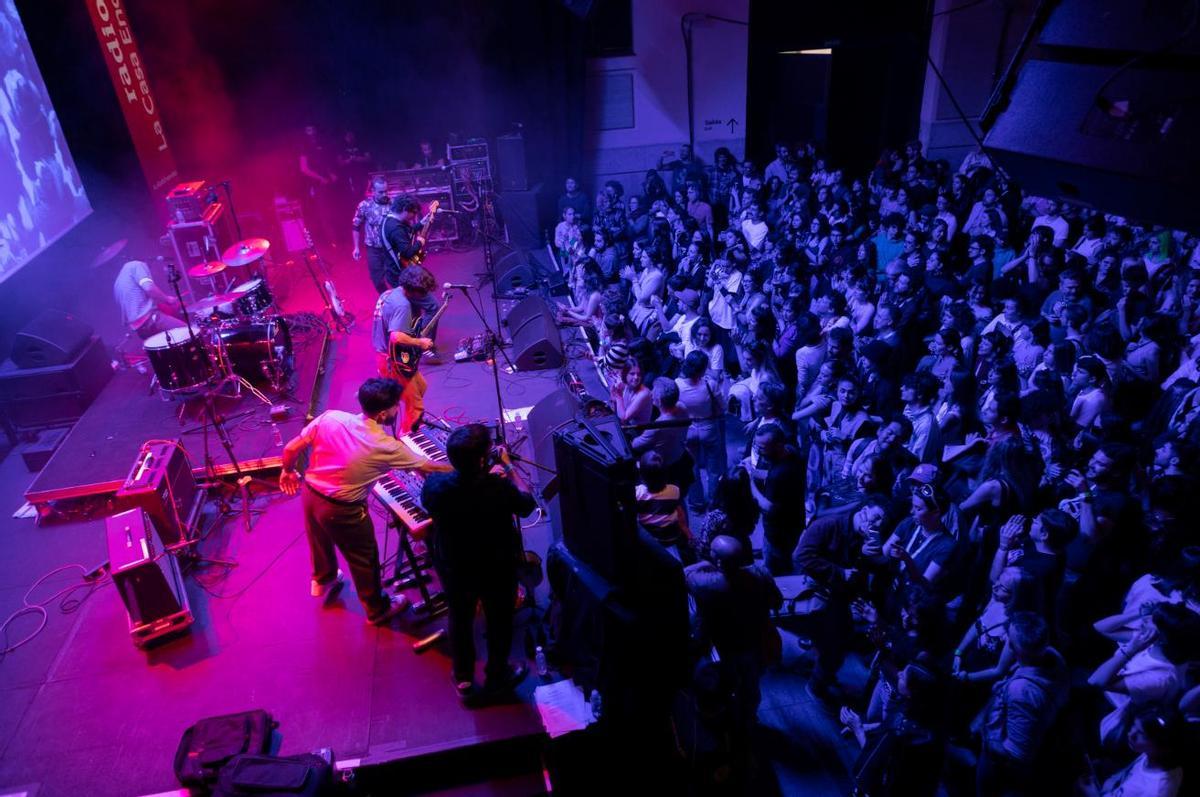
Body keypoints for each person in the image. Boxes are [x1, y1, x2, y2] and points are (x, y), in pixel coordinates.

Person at [278, 378, 450, 625]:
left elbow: (291, 448)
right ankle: (377, 609)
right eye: (395, 407)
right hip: (342, 510)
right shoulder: (384, 445)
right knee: (364, 558)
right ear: (383, 414)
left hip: (311, 494)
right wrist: (464, 464)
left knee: (319, 540)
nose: (396, 410)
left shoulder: (331, 417)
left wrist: (287, 471)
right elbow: (428, 466)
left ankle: (323, 579)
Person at [421, 424, 537, 698]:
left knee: (460, 617)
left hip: (455, 565)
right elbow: (527, 504)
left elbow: (436, 500)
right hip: (495, 566)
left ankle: (463, 678)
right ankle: (497, 675)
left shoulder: (435, 486)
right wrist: (507, 468)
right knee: (499, 621)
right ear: (484, 459)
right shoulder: (497, 488)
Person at [977, 612, 1069, 796]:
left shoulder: (1022, 692)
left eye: (1008, 637)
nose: (1004, 638)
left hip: (1001, 765)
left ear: (1014, 648)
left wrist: (990, 740)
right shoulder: (1051, 655)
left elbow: (1017, 753)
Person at [372, 265, 438, 433]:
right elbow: (396, 337)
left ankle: (409, 420)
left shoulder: (389, 294)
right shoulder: (403, 306)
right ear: (414, 291)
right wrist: (420, 342)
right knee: (416, 407)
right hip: (392, 361)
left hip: (385, 355)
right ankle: (407, 438)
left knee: (421, 386)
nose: (424, 296)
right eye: (423, 292)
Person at [742, 423, 806, 575]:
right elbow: (771, 476)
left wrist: (749, 480)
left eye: (762, 447)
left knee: (775, 567)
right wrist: (752, 471)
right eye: (756, 446)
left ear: (778, 445)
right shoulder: (790, 452)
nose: (758, 451)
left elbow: (767, 506)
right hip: (795, 520)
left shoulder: (780, 474)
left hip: (780, 531)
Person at [113, 259, 184, 338]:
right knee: (186, 332)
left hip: (139, 329)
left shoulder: (118, 282)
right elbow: (149, 288)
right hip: (150, 320)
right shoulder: (137, 265)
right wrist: (167, 299)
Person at [351, 176, 393, 293]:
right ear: (373, 191)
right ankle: (385, 301)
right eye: (381, 192)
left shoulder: (393, 204)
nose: (384, 194)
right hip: (373, 249)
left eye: (386, 191)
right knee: (377, 279)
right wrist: (356, 247)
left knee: (394, 277)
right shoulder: (364, 206)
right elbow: (356, 226)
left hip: (390, 248)